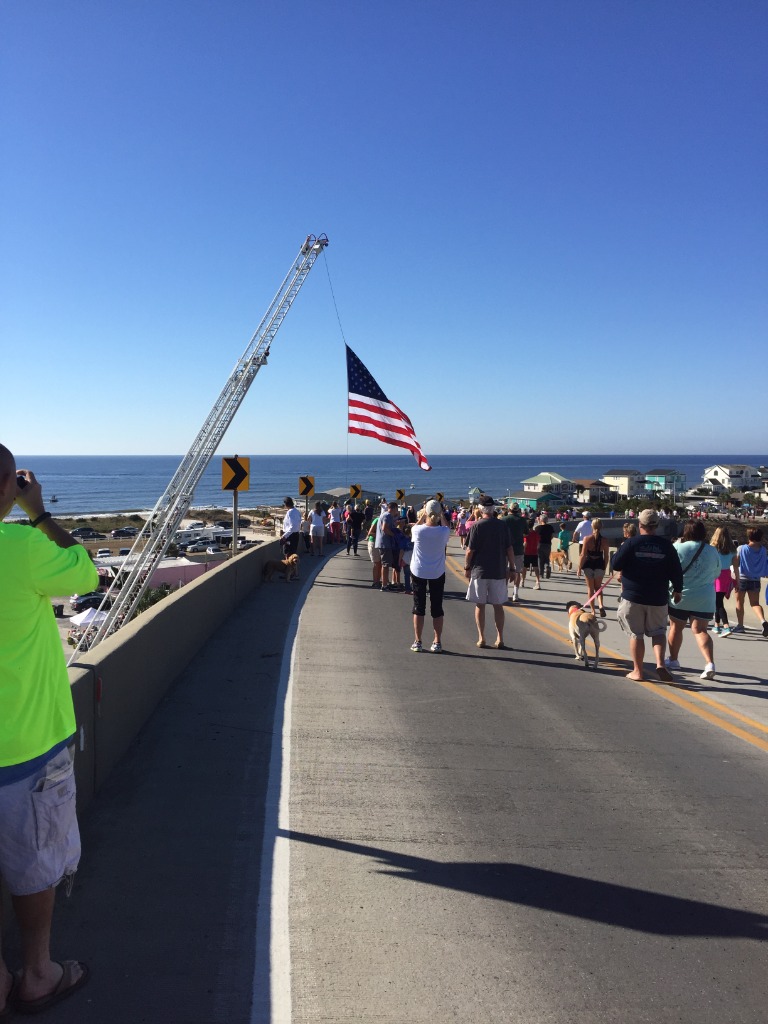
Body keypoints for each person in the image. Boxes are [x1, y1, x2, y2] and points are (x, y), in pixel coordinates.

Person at [0, 445, 97, 1014]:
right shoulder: (21, 547)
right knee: (34, 865)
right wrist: (36, 513)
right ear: (11, 484)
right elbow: (84, 573)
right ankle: (37, 974)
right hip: (27, 748)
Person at [611, 507, 683, 682]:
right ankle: (660, 664)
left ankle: (638, 671)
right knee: (658, 632)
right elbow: (676, 570)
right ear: (657, 525)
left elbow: (616, 565)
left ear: (640, 524)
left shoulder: (631, 543)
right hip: (658, 596)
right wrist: (678, 590)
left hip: (633, 596)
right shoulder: (667, 546)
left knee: (636, 634)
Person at [664, 520, 721, 679]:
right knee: (701, 630)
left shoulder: (677, 547)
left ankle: (674, 660)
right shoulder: (712, 550)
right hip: (704, 597)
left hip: (680, 595)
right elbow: (716, 573)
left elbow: (669, 569)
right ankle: (710, 663)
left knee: (676, 628)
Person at [464, 494, 515, 650]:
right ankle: (500, 638)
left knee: (480, 605)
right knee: (498, 605)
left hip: (480, 571)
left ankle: (482, 637)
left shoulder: (476, 526)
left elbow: (469, 550)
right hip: (498, 570)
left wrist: (467, 567)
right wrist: (512, 568)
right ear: (493, 509)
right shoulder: (502, 525)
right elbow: (509, 549)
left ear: (480, 509)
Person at [409, 500, 451, 653]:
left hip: (419, 571)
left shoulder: (418, 530)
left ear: (425, 512)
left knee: (418, 607)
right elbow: (447, 527)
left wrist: (423, 516)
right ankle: (437, 641)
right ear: (439, 514)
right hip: (437, 572)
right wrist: (442, 515)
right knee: (437, 608)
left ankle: (418, 641)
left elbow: (415, 526)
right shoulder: (443, 532)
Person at [732, 527, 768, 636]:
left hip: (742, 578)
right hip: (755, 579)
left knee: (739, 602)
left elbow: (736, 564)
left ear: (749, 537)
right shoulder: (763, 550)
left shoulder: (741, 548)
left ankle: (740, 625)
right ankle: (763, 621)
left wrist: (736, 579)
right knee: (755, 603)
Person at [710, 525, 739, 636]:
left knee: (718, 603)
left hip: (715, 575)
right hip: (726, 576)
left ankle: (726, 626)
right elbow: (736, 568)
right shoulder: (732, 549)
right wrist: (738, 582)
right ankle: (717, 625)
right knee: (718, 601)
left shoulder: (712, 548)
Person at [578, 517, 610, 616]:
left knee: (590, 589)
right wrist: (604, 567)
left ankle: (593, 610)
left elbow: (583, 555)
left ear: (592, 526)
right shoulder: (604, 540)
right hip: (599, 564)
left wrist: (579, 568)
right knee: (598, 588)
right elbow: (606, 556)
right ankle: (601, 605)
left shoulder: (587, 539)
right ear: (601, 527)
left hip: (588, 564)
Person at [502, 502, 527, 603]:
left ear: (509, 509)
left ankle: (504, 592)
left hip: (505, 549)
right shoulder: (522, 520)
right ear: (518, 510)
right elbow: (526, 533)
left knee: (506, 571)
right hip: (518, 549)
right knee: (517, 571)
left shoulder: (504, 520)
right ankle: (515, 594)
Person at [375, 501, 401, 592]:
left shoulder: (384, 515)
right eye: (396, 510)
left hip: (383, 543)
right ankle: (384, 585)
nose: (396, 512)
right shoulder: (387, 515)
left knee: (385, 564)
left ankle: (385, 583)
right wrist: (393, 534)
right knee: (385, 564)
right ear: (393, 508)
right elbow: (384, 528)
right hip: (385, 543)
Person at [534, 513, 555, 580]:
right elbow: (551, 536)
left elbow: (536, 537)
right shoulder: (550, 527)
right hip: (548, 544)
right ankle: (547, 566)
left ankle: (541, 573)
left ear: (540, 519)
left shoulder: (537, 528)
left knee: (540, 558)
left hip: (540, 544)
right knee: (546, 558)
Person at [522, 523, 540, 590]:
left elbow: (525, 543)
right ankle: (538, 582)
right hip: (534, 552)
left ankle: (522, 581)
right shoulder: (536, 534)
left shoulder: (526, 534)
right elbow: (538, 544)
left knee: (524, 568)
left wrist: (523, 550)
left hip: (527, 553)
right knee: (535, 567)